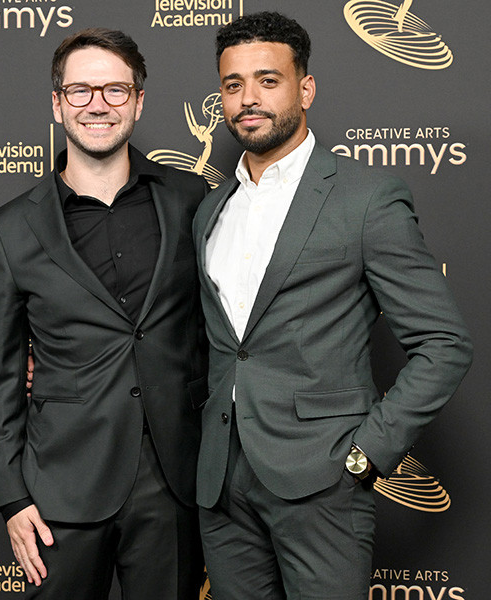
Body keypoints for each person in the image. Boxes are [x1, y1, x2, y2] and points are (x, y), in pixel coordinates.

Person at [193, 12, 473, 599]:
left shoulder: (365, 198)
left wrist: (366, 455)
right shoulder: (210, 209)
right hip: (221, 483)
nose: (249, 99)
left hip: (322, 481)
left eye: (268, 80)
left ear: (306, 88)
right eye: (233, 84)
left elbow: (444, 343)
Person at [0, 28, 208, 600]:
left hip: (174, 480)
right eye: (80, 91)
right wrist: (12, 497)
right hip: (60, 487)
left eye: (114, 90)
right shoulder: (11, 228)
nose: (98, 105)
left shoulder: (193, 199)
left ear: (138, 101)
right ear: (57, 104)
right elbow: (2, 373)